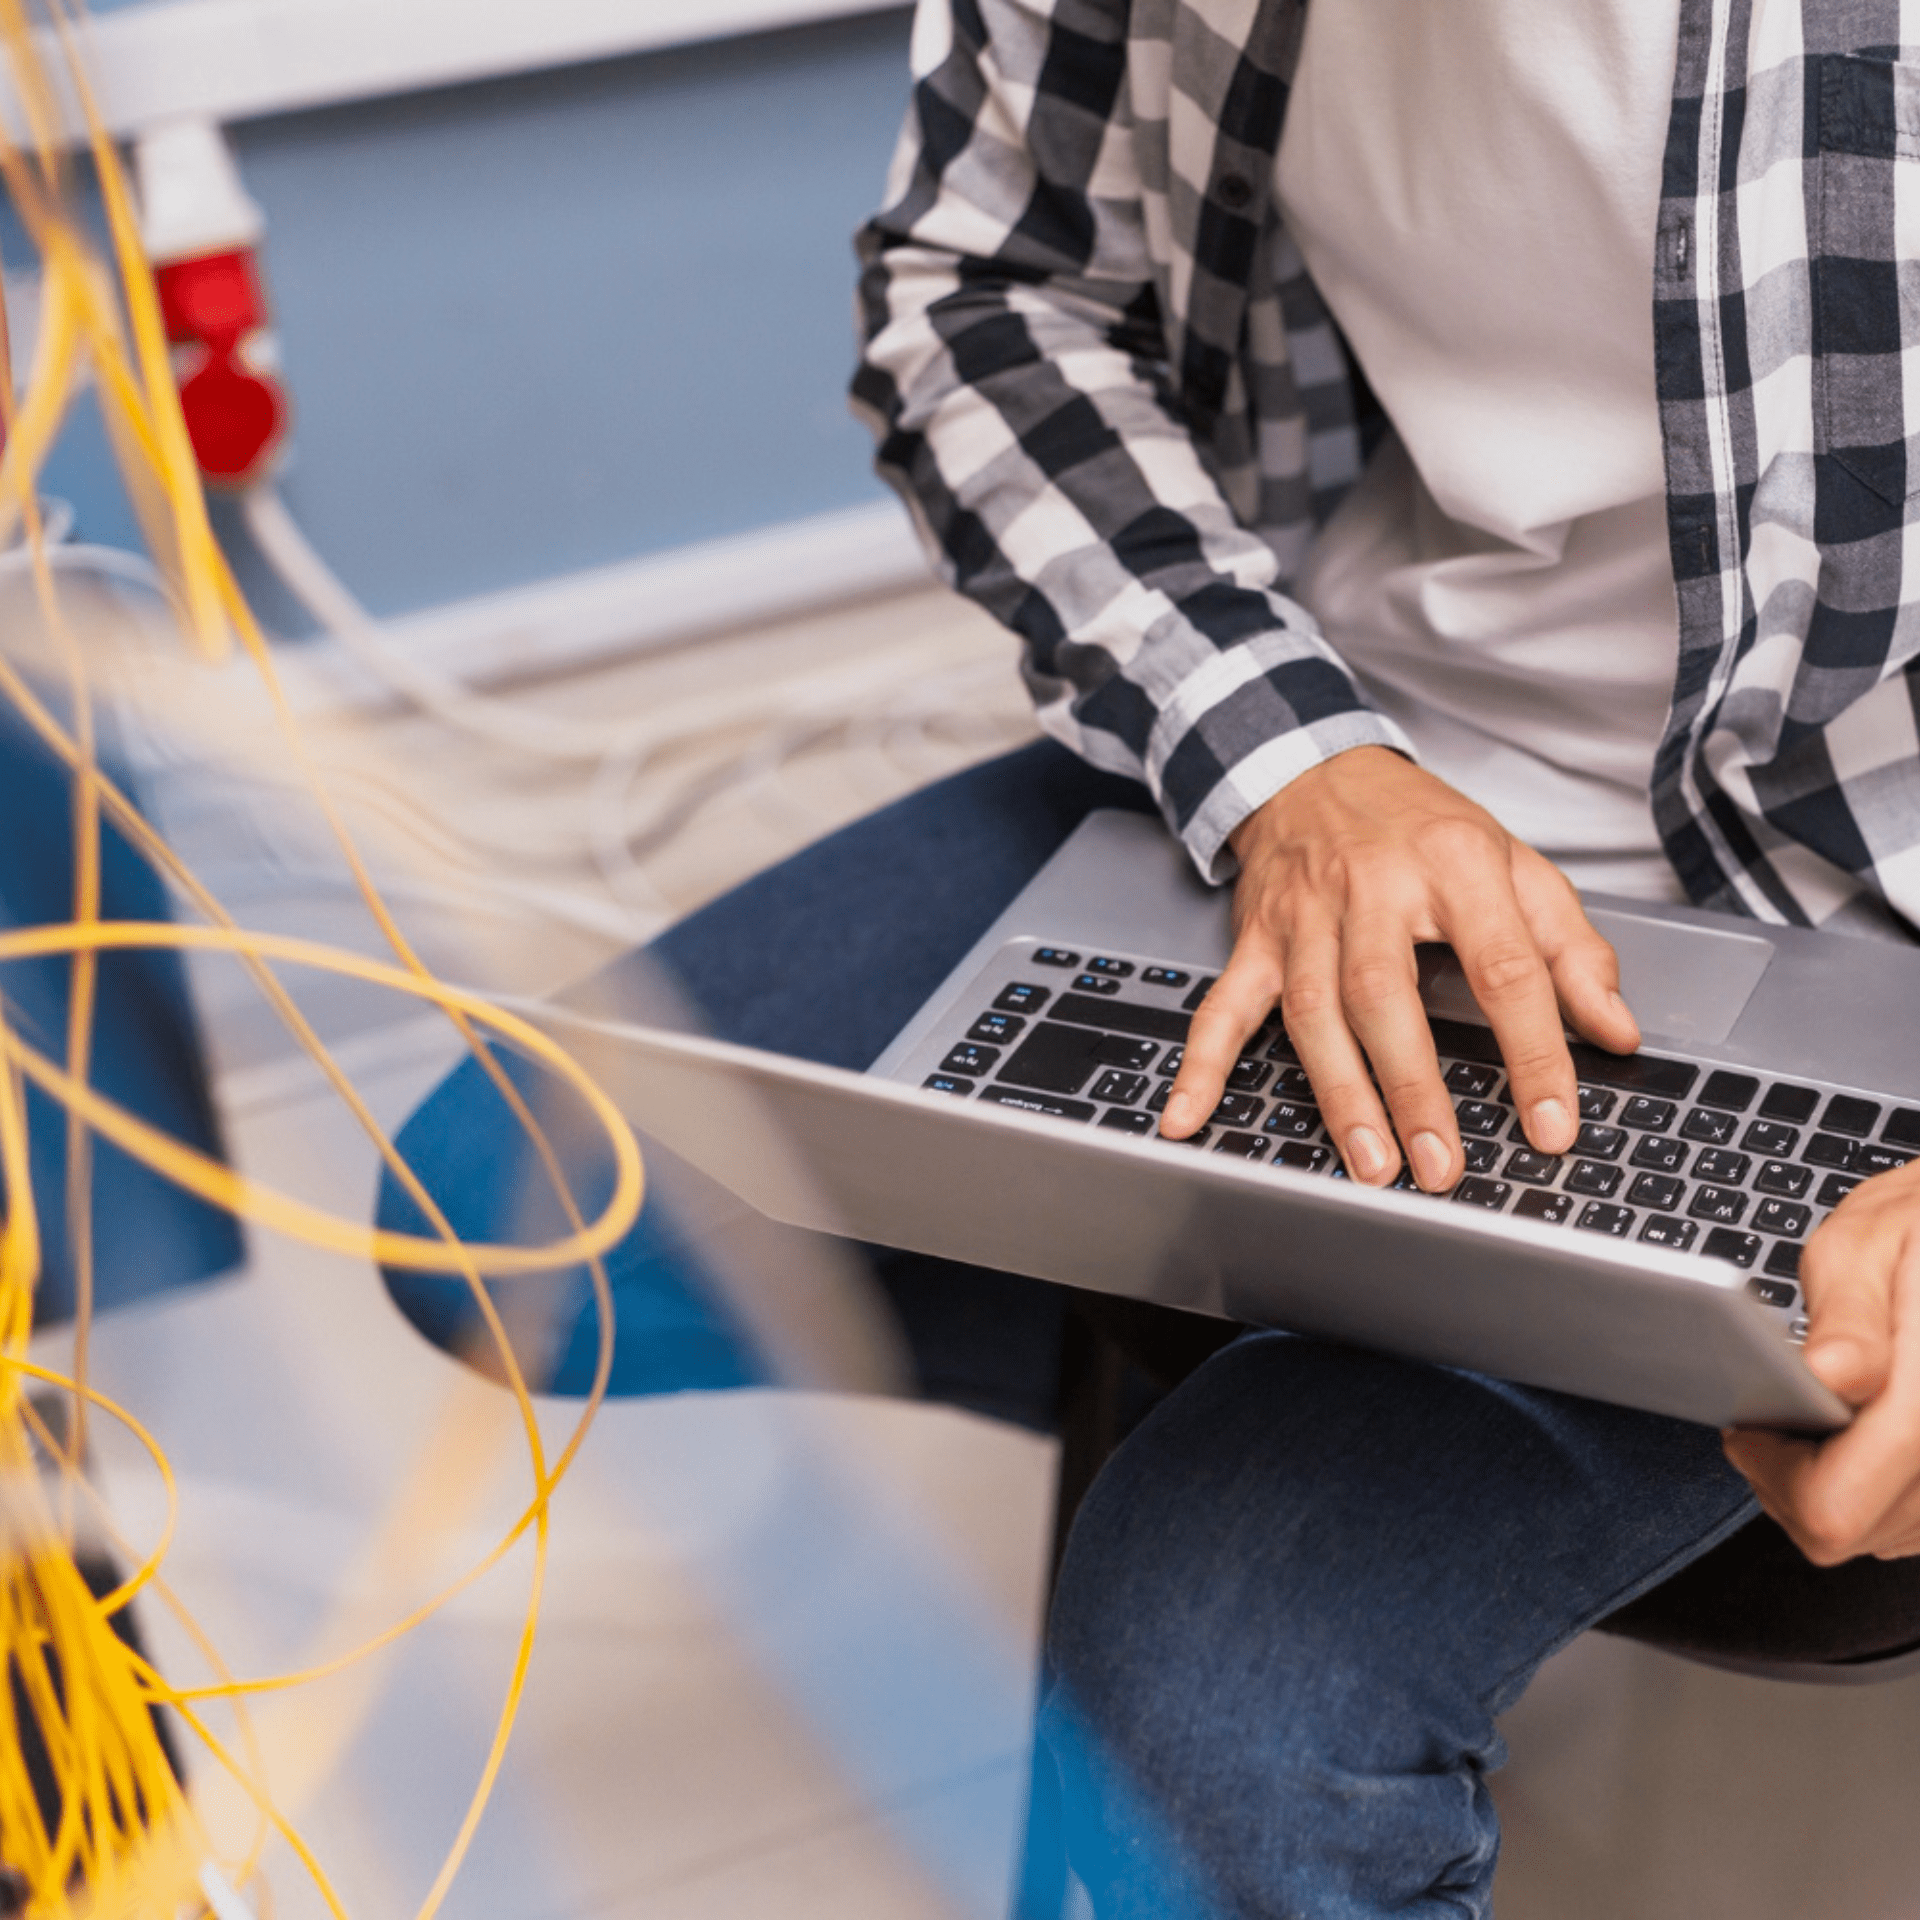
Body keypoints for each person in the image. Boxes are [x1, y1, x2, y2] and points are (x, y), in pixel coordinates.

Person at [842, 0, 1920, 1910]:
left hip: (1873, 915)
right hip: (1348, 752)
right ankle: (1295, 1317)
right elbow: (987, 287)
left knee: (1217, 1707)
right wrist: (1293, 763)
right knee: (519, 1202)